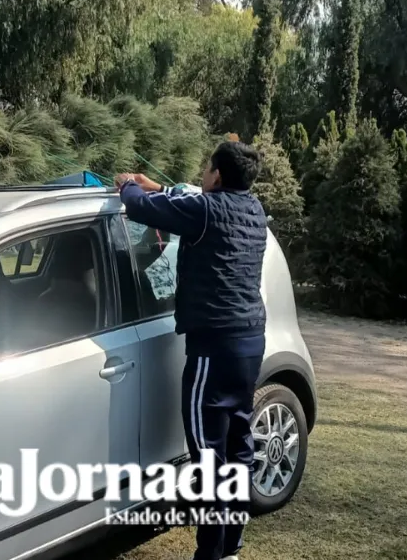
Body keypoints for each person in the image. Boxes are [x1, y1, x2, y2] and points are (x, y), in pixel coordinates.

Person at [115, 140, 267, 560]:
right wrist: (156, 186)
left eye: (206, 168)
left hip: (212, 349)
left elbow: (145, 211)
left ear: (217, 175)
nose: (202, 172)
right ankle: (232, 548)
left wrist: (129, 186)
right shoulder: (251, 209)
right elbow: (188, 203)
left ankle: (210, 555)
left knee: (208, 460)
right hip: (250, 343)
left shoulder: (203, 211)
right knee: (238, 448)